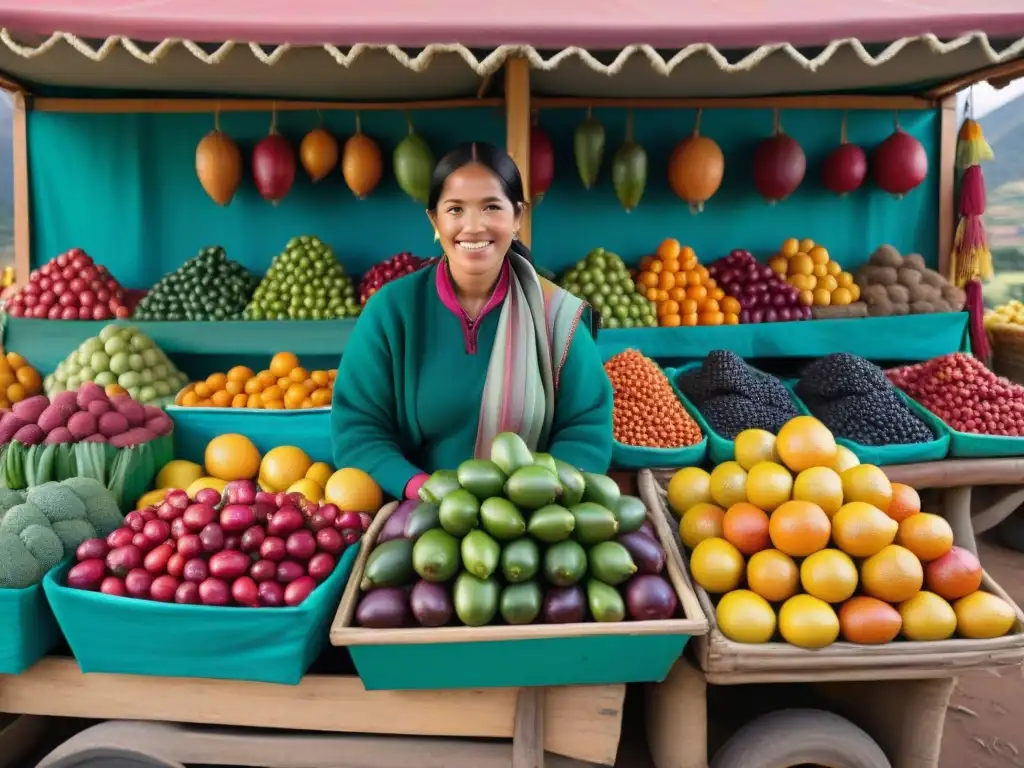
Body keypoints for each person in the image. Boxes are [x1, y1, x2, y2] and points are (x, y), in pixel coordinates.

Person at [331, 142, 613, 501]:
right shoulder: (392, 311)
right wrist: (424, 491)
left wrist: (543, 497)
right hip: (417, 515)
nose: (474, 226)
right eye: (456, 209)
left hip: (535, 522)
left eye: (492, 207)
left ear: (518, 217)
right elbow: (358, 426)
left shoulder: (556, 315)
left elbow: (586, 426)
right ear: (435, 220)